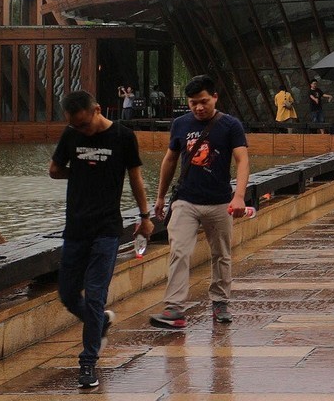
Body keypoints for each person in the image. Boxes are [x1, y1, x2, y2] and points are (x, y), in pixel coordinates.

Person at [49, 90, 153, 389]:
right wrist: (80, 172)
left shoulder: (123, 136)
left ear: (97, 109)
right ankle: (100, 322)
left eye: (83, 124)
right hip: (76, 228)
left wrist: (145, 217)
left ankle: (87, 363)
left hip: (107, 229)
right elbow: (54, 170)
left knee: (95, 295)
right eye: (74, 125)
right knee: (68, 294)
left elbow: (135, 177)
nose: (80, 130)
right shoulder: (70, 135)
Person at [150, 75, 250, 328]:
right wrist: (161, 196)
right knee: (179, 252)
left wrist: (238, 196)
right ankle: (174, 309)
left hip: (219, 202)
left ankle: (220, 302)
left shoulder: (230, 125)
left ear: (215, 97)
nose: (198, 107)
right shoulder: (180, 124)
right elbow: (170, 160)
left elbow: (242, 160)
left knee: (221, 254)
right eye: (193, 103)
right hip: (186, 200)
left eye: (204, 101)